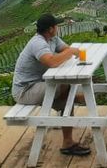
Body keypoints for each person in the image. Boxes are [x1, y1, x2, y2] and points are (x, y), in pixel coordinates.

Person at [12, 13, 90, 156]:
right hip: (25, 90)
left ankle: (68, 140)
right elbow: (52, 62)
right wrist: (71, 51)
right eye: (56, 25)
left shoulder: (52, 39)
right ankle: (77, 99)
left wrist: (68, 51)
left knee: (67, 93)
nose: (58, 27)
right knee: (66, 87)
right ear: (50, 29)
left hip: (39, 85)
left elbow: (64, 49)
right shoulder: (38, 43)